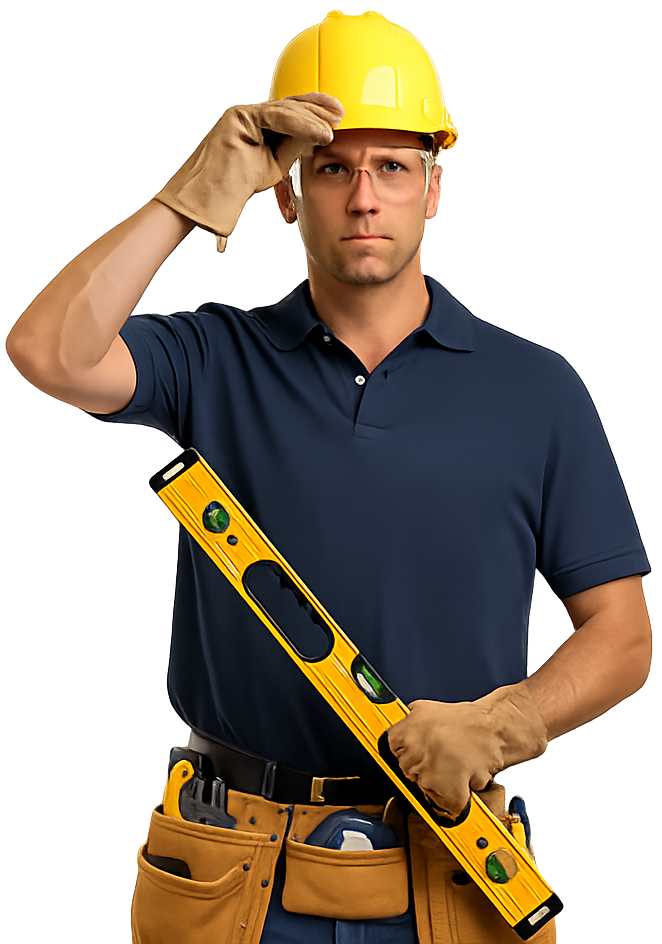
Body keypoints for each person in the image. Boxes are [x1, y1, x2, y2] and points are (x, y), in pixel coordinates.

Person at [5, 10, 651, 943]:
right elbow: (47, 354)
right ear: (282, 193)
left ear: (435, 188)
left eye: (393, 166)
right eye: (332, 167)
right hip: (231, 866)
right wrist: (186, 199)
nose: (363, 198)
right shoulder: (210, 355)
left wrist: (506, 724)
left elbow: (622, 636)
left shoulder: (537, 389)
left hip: (458, 866)